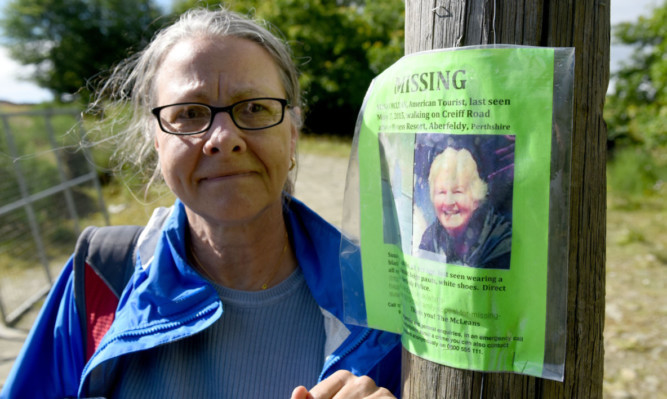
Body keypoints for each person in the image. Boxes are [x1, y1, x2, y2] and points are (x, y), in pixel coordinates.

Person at [1, 8, 400, 399]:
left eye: (254, 108)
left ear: (292, 133)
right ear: (157, 141)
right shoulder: (99, 281)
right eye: (190, 113)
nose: (223, 137)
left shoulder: (381, 304)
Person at [419, 147, 512, 269]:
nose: (448, 202)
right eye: (441, 192)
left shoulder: (499, 241)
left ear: (476, 198)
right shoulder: (430, 238)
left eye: (458, 192)